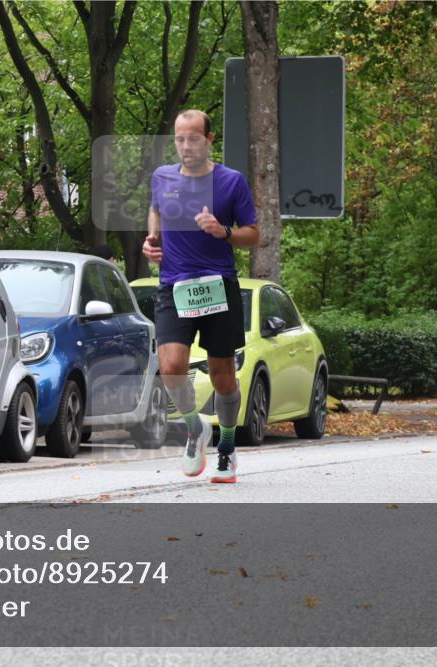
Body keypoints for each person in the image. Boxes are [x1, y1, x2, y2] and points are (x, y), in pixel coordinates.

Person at [142, 109, 259, 483]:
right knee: (172, 368)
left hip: (218, 286)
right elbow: (155, 211)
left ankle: (226, 447)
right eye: (179, 138)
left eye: (193, 138)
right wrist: (152, 241)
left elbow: (254, 234)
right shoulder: (162, 177)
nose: (185, 145)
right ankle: (195, 428)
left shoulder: (231, 182)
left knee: (223, 377)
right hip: (174, 285)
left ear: (210, 140)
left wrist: (223, 231)